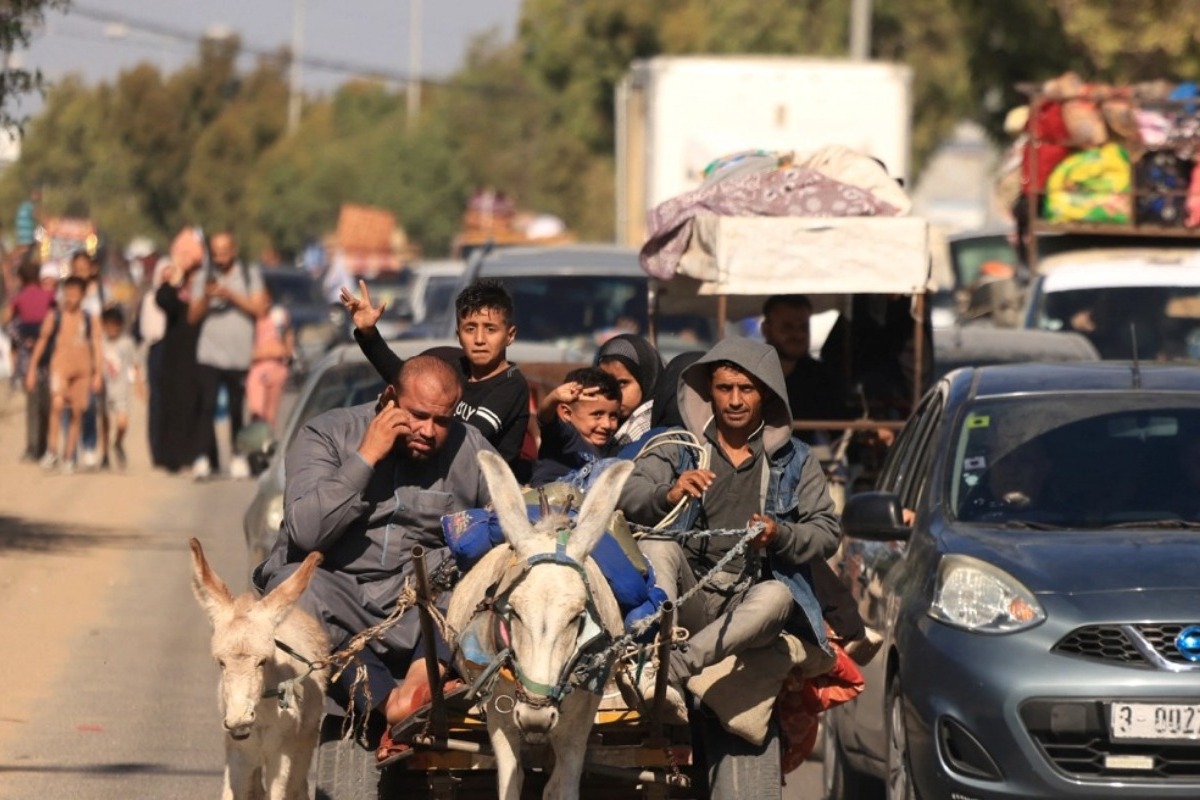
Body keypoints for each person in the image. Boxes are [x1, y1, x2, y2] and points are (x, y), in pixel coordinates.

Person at [254, 355, 494, 737]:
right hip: (341, 597)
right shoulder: (327, 435)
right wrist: (366, 456)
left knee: (482, 579)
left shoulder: (471, 448)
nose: (429, 431)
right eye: (417, 415)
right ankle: (389, 705)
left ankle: (419, 680)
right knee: (292, 594)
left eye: (442, 421)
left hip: (425, 608)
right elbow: (306, 533)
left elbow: (506, 522)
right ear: (389, 399)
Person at [618, 337, 841, 722]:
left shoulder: (797, 460)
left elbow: (826, 531)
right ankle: (656, 648)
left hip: (746, 600)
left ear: (766, 396)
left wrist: (780, 535)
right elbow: (628, 492)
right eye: (724, 389)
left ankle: (671, 669)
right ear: (710, 393)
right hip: (686, 596)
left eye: (746, 389)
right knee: (658, 544)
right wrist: (669, 494)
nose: (735, 401)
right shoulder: (679, 447)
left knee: (777, 595)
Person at [343, 278, 531, 474]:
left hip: (484, 491)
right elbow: (403, 379)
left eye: (490, 329)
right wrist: (368, 332)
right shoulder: (450, 365)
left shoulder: (511, 385)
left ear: (510, 336)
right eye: (470, 329)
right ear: (459, 335)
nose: (479, 339)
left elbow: (470, 437)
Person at [188, 231, 268, 479]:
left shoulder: (248, 274)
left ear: (234, 250)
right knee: (207, 405)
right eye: (215, 252)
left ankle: (237, 456)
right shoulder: (203, 276)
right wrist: (207, 296)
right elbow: (192, 317)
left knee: (236, 408)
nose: (220, 257)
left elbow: (259, 309)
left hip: (239, 354)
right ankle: (202, 458)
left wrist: (230, 295)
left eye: (224, 251)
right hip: (209, 352)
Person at [26, 276, 102, 474]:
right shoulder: (55, 316)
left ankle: (69, 455)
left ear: (83, 296)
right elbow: (42, 341)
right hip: (59, 367)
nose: (71, 297)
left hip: (83, 370)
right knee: (58, 405)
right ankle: (52, 450)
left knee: (77, 412)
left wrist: (98, 374)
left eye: (76, 293)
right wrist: (32, 369)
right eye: (68, 293)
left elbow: (97, 345)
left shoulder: (89, 318)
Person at [760, 294, 847, 444]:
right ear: (765, 329)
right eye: (787, 327)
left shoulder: (821, 378)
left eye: (803, 327)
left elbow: (840, 424)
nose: (798, 334)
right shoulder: (750, 375)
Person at [155, 230, 207, 473]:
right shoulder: (173, 283)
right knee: (172, 402)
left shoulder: (204, 282)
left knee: (195, 403)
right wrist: (176, 277)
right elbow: (164, 301)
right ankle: (171, 456)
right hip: (175, 352)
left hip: (200, 350)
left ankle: (195, 455)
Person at [531, 366, 622, 487]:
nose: (607, 424)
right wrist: (554, 397)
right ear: (567, 413)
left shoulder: (609, 448)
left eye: (613, 416)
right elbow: (544, 417)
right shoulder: (565, 436)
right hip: (547, 501)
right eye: (597, 414)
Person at [4, 255, 55, 460]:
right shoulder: (49, 296)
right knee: (47, 403)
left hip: (28, 355)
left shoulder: (19, 297)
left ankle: (33, 447)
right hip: (49, 352)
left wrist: (21, 341)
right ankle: (45, 445)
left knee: (33, 404)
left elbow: (8, 321)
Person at [594, 333, 663, 447]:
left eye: (622, 383)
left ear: (646, 381)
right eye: (605, 383)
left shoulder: (638, 428)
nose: (612, 392)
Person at [246, 288, 293, 430]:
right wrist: (265, 352)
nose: (263, 304)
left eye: (266, 300)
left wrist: (285, 351)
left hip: (277, 370)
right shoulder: (249, 320)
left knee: (271, 415)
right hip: (257, 369)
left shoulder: (278, 318)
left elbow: (288, 341)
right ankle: (256, 438)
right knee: (256, 410)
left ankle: (266, 443)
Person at [100, 306, 139, 470]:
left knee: (122, 423)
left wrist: (138, 384)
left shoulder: (127, 343)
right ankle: (104, 455)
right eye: (109, 325)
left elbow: (134, 364)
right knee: (105, 423)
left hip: (121, 389)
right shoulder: (100, 342)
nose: (112, 329)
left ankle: (118, 443)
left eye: (116, 325)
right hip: (103, 389)